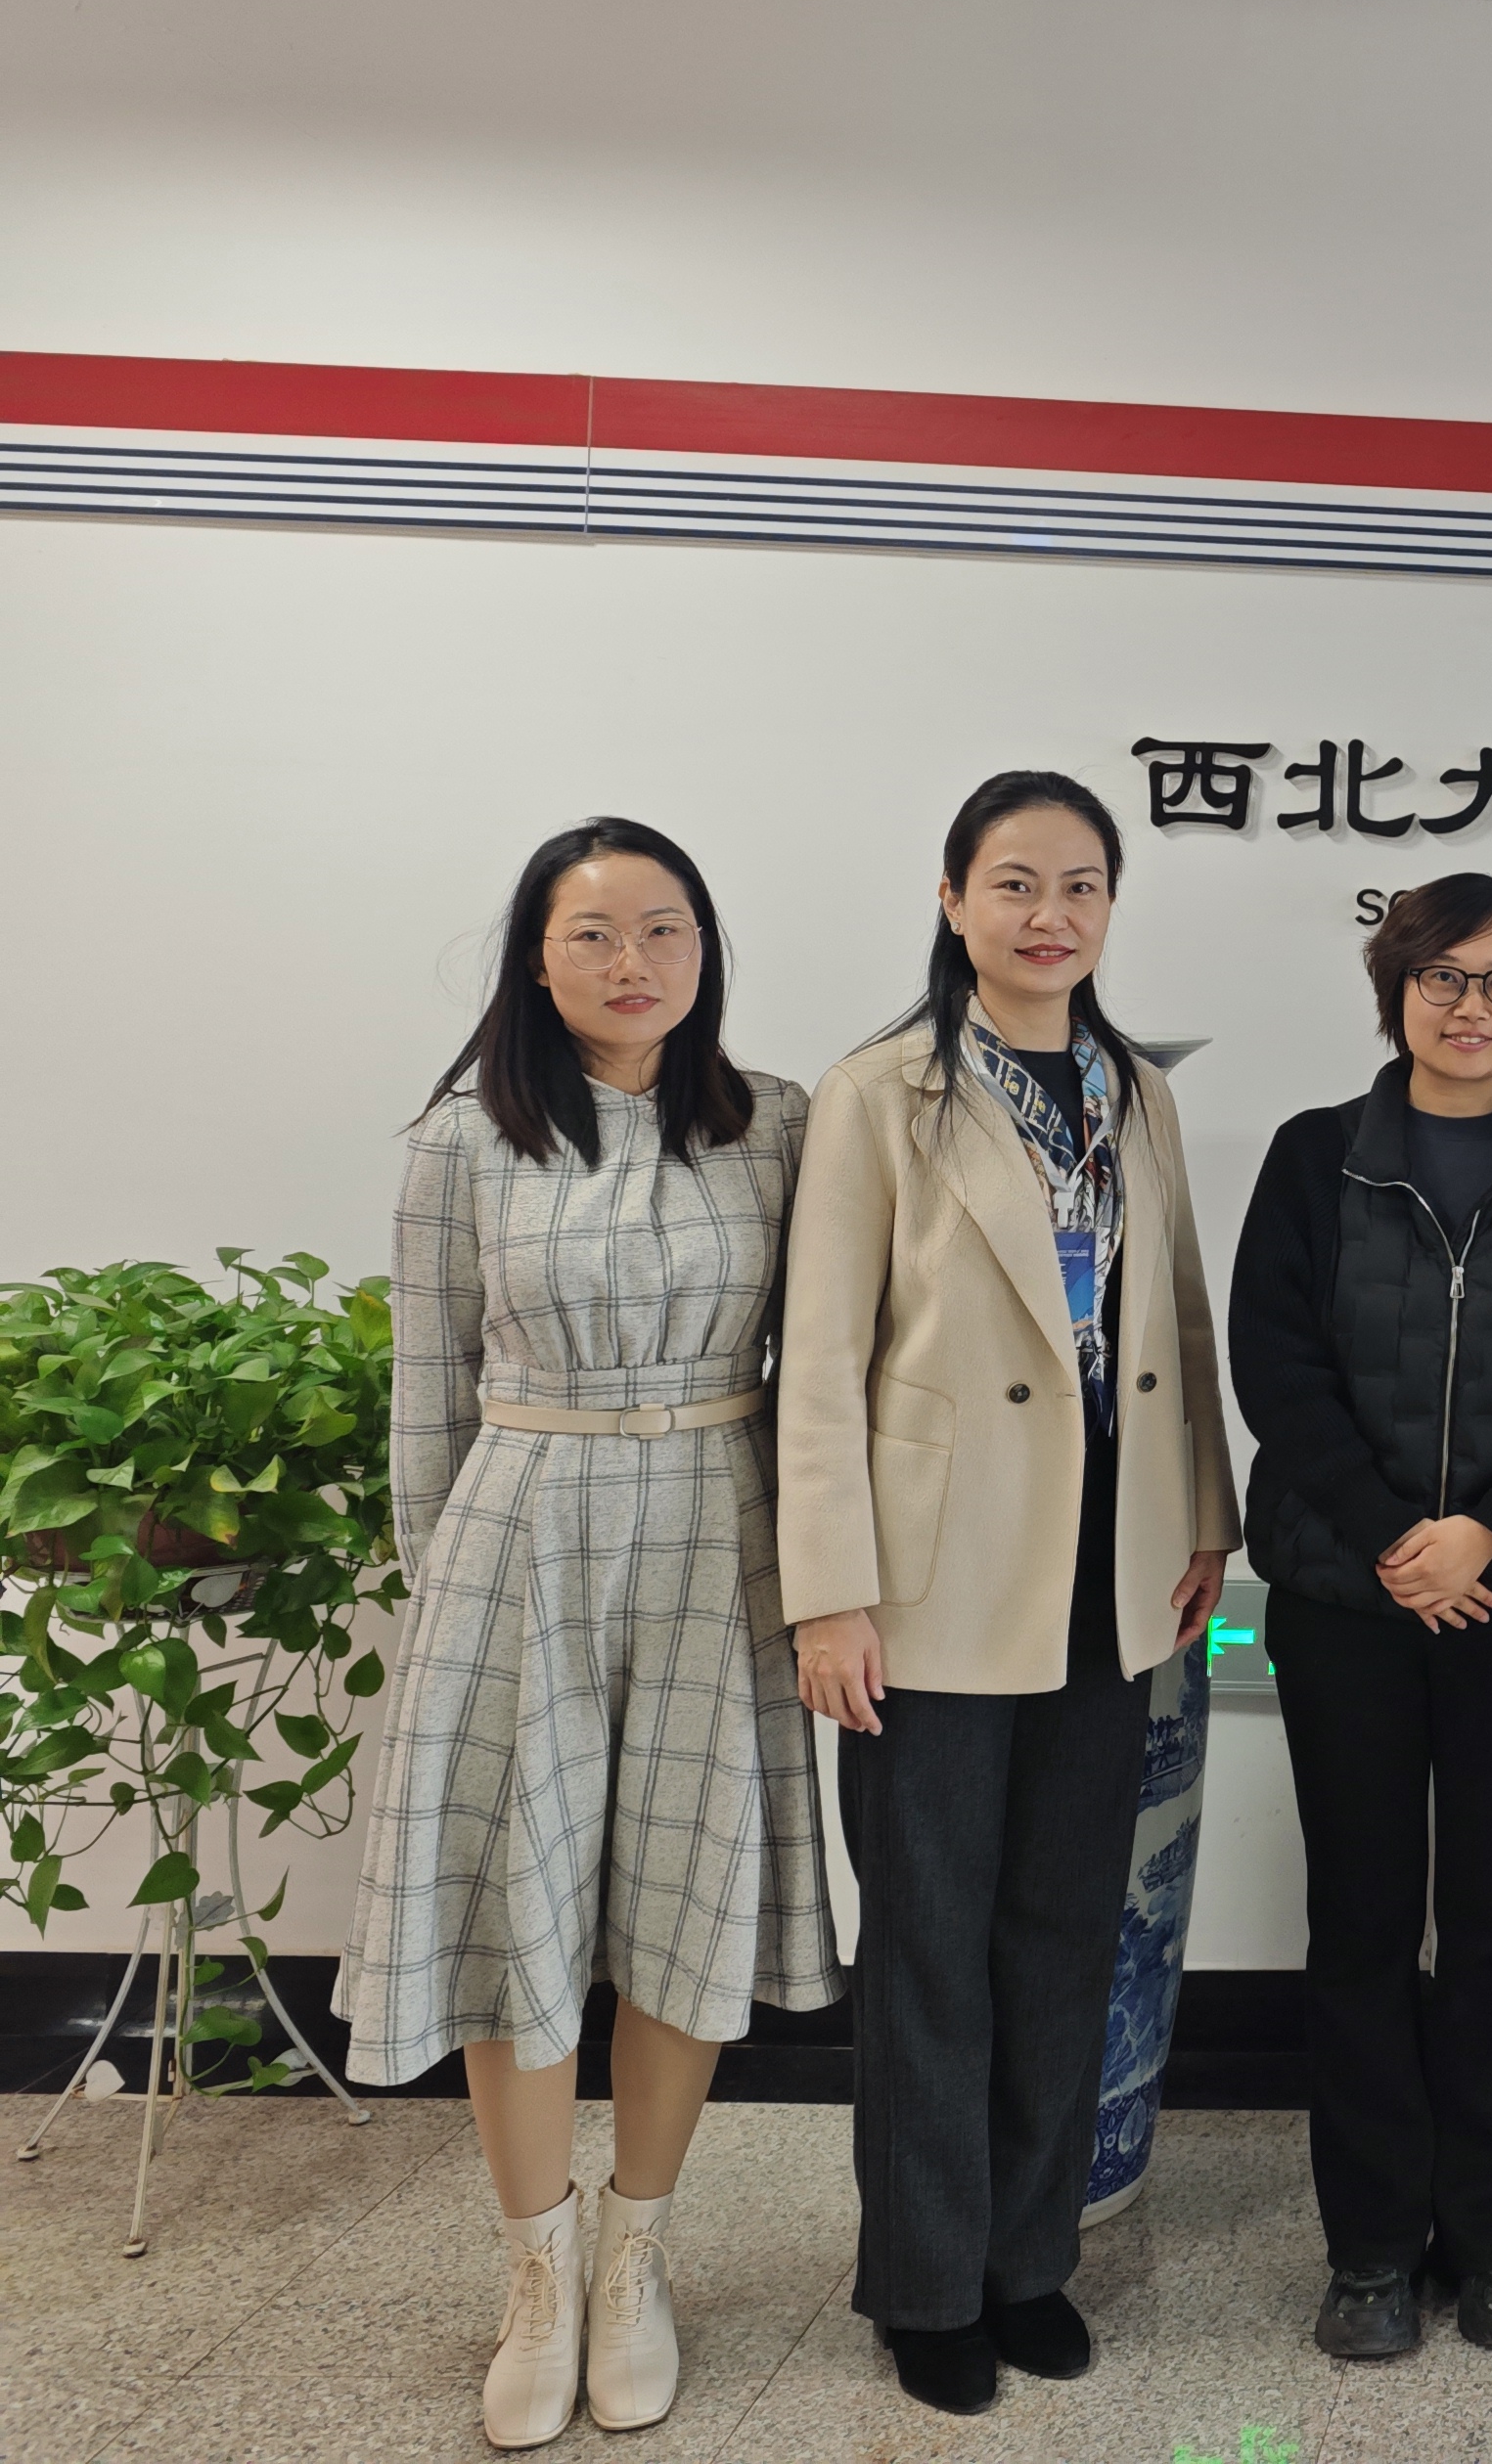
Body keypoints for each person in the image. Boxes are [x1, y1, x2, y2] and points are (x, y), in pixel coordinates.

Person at [340, 819, 838, 2450]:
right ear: (536, 959)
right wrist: (437, 1589)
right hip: (524, 1530)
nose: (634, 962)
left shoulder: (778, 1125)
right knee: (523, 1901)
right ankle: (538, 2275)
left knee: (689, 1894)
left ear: (706, 949)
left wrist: (829, 1571)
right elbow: (429, 1385)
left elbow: (826, 1369)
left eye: (664, 928)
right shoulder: (463, 1142)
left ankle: (638, 2257)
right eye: (594, 933)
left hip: (719, 1524)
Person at [777, 770, 1236, 2418]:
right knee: (929, 1945)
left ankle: (1029, 2261)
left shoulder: (1135, 1090)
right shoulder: (880, 1094)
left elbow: (1178, 1315)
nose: (1052, 915)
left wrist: (1206, 1517)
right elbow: (817, 1360)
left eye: (1083, 886)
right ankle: (925, 2284)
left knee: (1062, 1934)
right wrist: (828, 1596)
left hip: (1110, 1577)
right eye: (1017, 882)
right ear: (954, 898)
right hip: (931, 1585)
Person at [1231, 874, 1492, 2364]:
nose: (1474, 1008)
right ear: (1396, 990)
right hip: (1342, 1598)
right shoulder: (1315, 1156)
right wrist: (1392, 1537)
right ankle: (1367, 2245)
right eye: (1445, 978)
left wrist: (1483, 1530)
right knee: (1359, 1921)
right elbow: (1276, 1365)